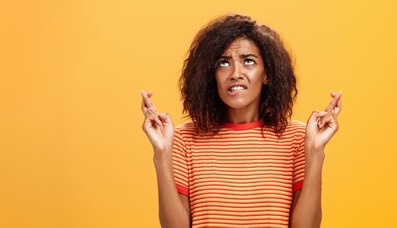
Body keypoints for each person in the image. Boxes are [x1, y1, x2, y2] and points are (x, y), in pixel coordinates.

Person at [140, 14, 342, 228]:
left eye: (248, 61)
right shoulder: (183, 139)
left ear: (267, 74)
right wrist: (161, 154)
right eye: (224, 63)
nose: (235, 73)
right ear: (212, 74)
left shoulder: (298, 138)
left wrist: (316, 151)